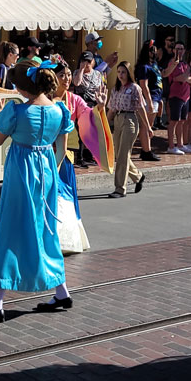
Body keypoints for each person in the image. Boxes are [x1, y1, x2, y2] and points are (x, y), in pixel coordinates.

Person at [0, 59, 74, 328]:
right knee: (45, 230)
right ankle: (61, 291)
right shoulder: (59, 111)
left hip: (21, 176)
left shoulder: (16, 112)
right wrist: (51, 171)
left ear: (23, 86)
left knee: (10, 232)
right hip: (47, 174)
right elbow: (61, 150)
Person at [53, 62, 103, 254]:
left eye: (67, 75)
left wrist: (99, 107)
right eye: (62, 75)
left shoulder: (74, 100)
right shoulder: (46, 99)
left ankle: (67, 239)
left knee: (65, 195)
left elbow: (88, 118)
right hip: (47, 154)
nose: (66, 79)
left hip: (65, 155)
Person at [107, 61, 148, 197]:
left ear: (128, 73)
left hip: (130, 120)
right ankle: (138, 176)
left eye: (123, 72)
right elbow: (111, 109)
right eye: (118, 72)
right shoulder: (115, 89)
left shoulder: (135, 88)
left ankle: (120, 188)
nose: (120, 75)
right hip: (118, 120)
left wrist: (147, 127)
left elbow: (141, 108)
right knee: (119, 155)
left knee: (124, 154)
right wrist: (105, 124)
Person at [70, 52, 104, 167]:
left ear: (93, 62)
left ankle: (89, 156)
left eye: (89, 61)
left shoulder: (98, 74)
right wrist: (81, 70)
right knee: (81, 132)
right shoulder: (76, 73)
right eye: (84, 61)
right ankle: (79, 158)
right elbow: (76, 83)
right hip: (81, 106)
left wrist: (101, 104)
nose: (87, 64)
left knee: (92, 132)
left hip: (93, 104)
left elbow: (100, 89)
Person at [163, 41, 191, 154]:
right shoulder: (173, 63)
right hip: (176, 95)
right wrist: (187, 75)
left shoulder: (185, 64)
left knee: (182, 121)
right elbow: (177, 78)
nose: (179, 51)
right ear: (174, 50)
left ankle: (180, 144)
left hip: (186, 96)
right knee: (173, 121)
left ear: (184, 51)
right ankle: (171, 146)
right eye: (177, 49)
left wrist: (186, 76)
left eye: (181, 49)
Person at [134, 40, 161, 162]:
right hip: (148, 98)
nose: (154, 52)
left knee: (149, 125)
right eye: (151, 50)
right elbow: (144, 86)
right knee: (145, 126)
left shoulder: (153, 64)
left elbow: (164, 74)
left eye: (154, 49)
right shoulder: (143, 67)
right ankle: (146, 151)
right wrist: (149, 102)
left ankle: (146, 148)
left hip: (156, 96)